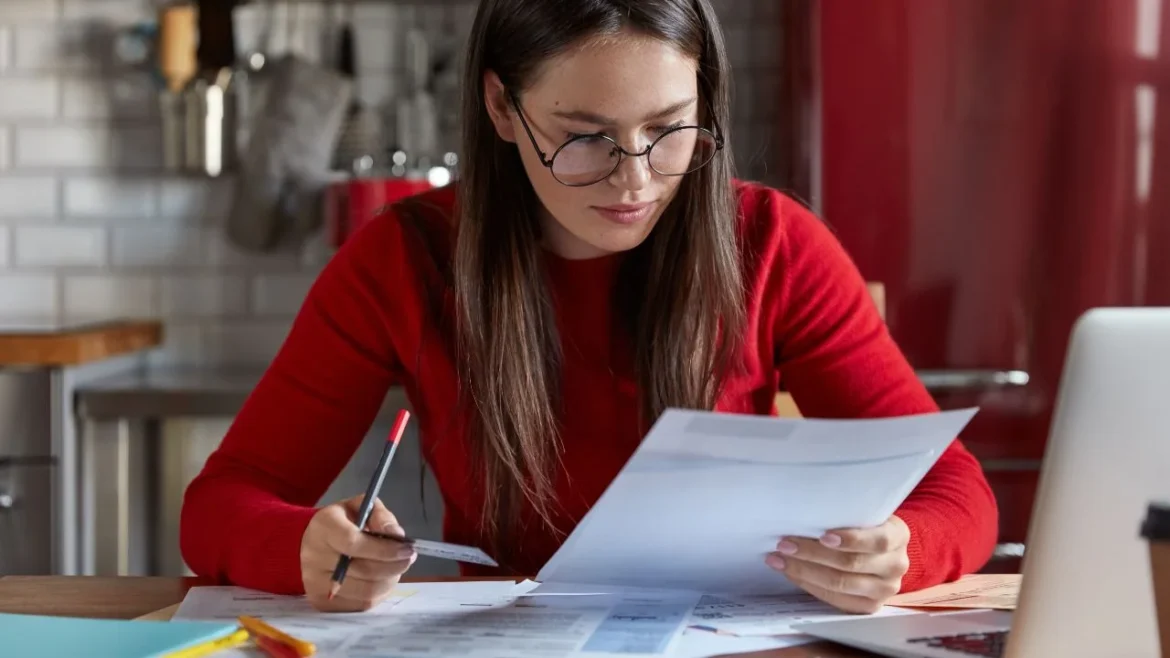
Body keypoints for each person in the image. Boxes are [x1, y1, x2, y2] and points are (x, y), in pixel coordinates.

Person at [180, 0, 999, 615]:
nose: (635, 181)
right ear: (503, 108)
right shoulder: (402, 261)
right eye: (585, 137)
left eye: (670, 130)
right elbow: (222, 504)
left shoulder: (773, 243)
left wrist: (899, 550)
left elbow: (959, 494)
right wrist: (305, 546)